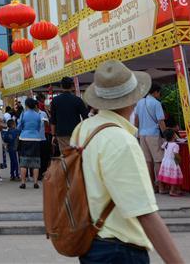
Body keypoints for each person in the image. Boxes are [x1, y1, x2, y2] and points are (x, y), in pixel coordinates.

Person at [72, 60, 183, 263]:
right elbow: (145, 213)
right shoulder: (121, 140)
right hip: (119, 248)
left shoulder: (84, 129)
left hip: (90, 239)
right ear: (133, 99)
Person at [134, 82, 167, 186]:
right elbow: (161, 121)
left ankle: (151, 186)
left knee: (147, 161)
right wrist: (166, 136)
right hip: (153, 134)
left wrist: (137, 133)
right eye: (159, 93)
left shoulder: (139, 102)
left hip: (142, 134)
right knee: (158, 160)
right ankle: (161, 186)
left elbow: (136, 120)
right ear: (156, 92)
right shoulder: (156, 103)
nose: (159, 95)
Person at [50, 78, 89, 154]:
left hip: (61, 133)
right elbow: (85, 117)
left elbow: (53, 119)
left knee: (65, 156)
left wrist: (53, 135)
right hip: (75, 132)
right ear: (72, 86)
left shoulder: (55, 100)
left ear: (61, 86)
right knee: (75, 155)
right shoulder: (77, 100)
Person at [16, 97, 44, 189]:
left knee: (24, 161)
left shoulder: (23, 114)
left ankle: (23, 182)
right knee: (36, 161)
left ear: (27, 105)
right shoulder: (38, 115)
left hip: (24, 138)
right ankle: (35, 182)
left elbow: (19, 127)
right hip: (36, 138)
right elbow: (39, 127)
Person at [157, 129, 183, 196]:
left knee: (166, 175)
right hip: (172, 162)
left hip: (165, 161)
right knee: (174, 176)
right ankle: (172, 191)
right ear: (174, 136)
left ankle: (165, 189)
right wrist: (179, 159)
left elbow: (162, 147)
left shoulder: (166, 143)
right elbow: (175, 154)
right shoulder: (175, 145)